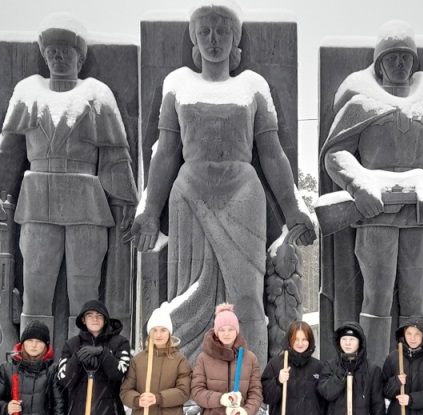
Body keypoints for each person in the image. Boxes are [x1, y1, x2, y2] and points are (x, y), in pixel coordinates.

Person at [129, 2, 316, 362]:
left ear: (235, 41)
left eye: (222, 32)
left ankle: (250, 376)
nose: (214, 39)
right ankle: (187, 372)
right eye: (205, 32)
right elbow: (166, 152)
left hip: (243, 193)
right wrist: (150, 210)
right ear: (195, 42)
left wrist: (293, 209)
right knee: (190, 288)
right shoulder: (177, 85)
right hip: (190, 193)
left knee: (246, 289)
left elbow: (273, 154)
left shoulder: (253, 86)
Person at [320, 20, 423, 365]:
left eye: (406, 57)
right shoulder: (361, 102)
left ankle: (415, 372)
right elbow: (336, 153)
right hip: (376, 213)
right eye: (392, 57)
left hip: (420, 213)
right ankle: (371, 372)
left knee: (417, 301)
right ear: (379, 62)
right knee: (377, 297)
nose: (400, 63)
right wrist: (358, 185)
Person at [0, 13, 138, 340]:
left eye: (66, 50)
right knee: (36, 286)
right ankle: (31, 363)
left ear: (80, 58)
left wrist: (126, 201)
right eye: (51, 50)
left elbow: (114, 155)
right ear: (44, 56)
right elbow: (8, 152)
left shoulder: (97, 96)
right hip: (38, 200)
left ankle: (84, 361)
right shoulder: (28, 94)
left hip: (87, 203)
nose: (58, 56)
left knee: (84, 290)